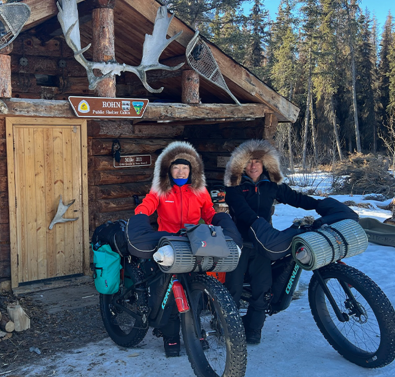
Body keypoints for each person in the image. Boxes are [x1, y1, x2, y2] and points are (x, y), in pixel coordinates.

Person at [222, 139, 355, 345]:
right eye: (248, 162)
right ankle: (228, 329)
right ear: (241, 165)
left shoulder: (271, 185)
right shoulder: (235, 187)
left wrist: (320, 206)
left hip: (264, 244)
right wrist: (260, 226)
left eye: (257, 161)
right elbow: (243, 212)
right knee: (233, 289)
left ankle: (253, 331)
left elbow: (297, 199)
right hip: (240, 244)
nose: (253, 166)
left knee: (262, 288)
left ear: (265, 163)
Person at [133, 141, 241, 357]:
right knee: (169, 291)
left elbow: (208, 212)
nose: (181, 171)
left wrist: (219, 219)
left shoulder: (199, 191)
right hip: (169, 243)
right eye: (176, 167)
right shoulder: (161, 190)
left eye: (185, 168)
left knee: (196, 290)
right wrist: (139, 216)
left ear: (191, 170)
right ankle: (171, 335)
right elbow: (148, 204)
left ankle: (196, 332)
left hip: (195, 243)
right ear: (169, 170)